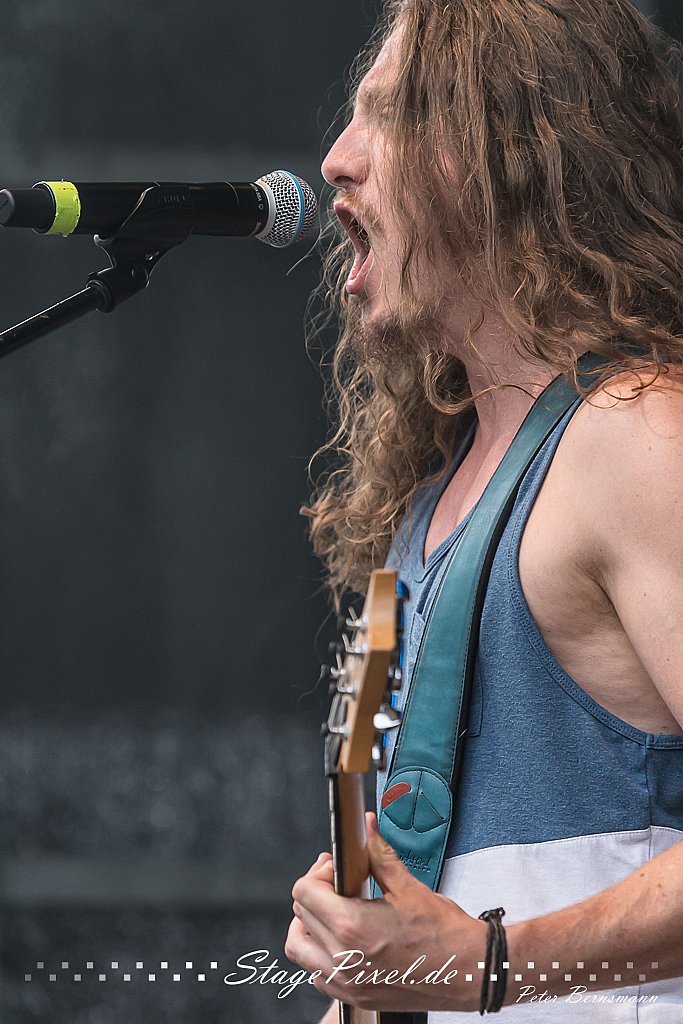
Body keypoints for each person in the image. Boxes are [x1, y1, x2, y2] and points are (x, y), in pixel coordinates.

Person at [285, 0, 683, 1019]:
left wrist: (488, 962)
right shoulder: (420, 511)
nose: (335, 159)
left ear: (508, 148)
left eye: (386, 115)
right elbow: (405, 929)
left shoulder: (636, 435)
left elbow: (460, 956)